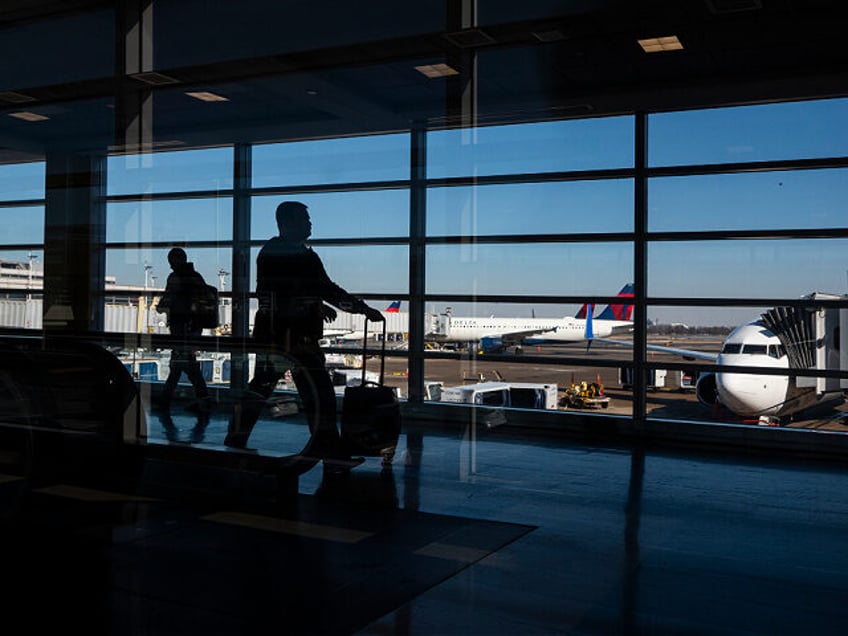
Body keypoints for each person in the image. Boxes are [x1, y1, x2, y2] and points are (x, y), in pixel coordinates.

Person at [224, 201, 384, 468]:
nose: (311, 224)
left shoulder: (275, 252)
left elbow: (299, 291)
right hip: (292, 339)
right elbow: (322, 289)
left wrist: (318, 303)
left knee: (267, 390)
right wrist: (360, 309)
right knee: (318, 395)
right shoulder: (296, 254)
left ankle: (235, 441)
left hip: (278, 337)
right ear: (287, 223)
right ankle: (330, 451)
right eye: (305, 220)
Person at [156, 247, 211, 412]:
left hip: (180, 329)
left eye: (171, 262)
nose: (170, 266)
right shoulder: (196, 278)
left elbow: (166, 302)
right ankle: (203, 399)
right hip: (193, 329)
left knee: (180, 364)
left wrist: (163, 307)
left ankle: (166, 400)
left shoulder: (174, 278)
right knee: (185, 364)